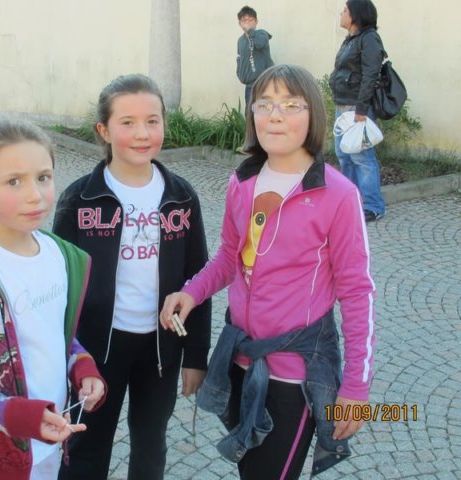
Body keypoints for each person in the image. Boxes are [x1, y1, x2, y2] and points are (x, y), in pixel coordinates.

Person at [160, 64, 376, 480]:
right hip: (241, 361)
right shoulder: (242, 181)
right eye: (265, 104)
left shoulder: (338, 194)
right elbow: (229, 257)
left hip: (296, 376)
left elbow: (357, 292)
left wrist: (356, 387)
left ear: (313, 115)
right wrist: (191, 292)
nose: (275, 115)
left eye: (291, 105)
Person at [53, 74, 211, 480]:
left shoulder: (181, 197)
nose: (143, 133)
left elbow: (199, 279)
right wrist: (63, 358)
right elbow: (58, 286)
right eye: (128, 122)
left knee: (150, 444)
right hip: (96, 349)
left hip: (160, 349)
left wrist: (195, 357)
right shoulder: (79, 199)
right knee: (86, 444)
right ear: (104, 130)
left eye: (152, 121)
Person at [0, 119, 106, 480]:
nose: (35, 195)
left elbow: (55, 334)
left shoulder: (62, 256)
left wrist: (83, 367)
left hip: (53, 444)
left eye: (43, 177)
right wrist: (21, 417)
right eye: (14, 181)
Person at [329, 0, 386, 222]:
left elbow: (370, 75)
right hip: (343, 106)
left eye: (345, 10)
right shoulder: (351, 39)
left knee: (362, 157)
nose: (342, 13)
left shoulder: (369, 39)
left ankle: (373, 206)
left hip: (356, 108)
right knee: (344, 154)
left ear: (356, 14)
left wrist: (361, 109)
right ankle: (352, 201)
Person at [235, 5, 274, 155]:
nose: (247, 22)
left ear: (256, 22)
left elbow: (260, 44)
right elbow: (241, 58)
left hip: (264, 82)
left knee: (264, 112)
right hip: (250, 84)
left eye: (250, 20)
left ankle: (267, 146)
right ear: (239, 23)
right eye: (244, 20)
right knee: (250, 114)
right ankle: (251, 145)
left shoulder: (261, 34)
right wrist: (240, 73)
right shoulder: (241, 41)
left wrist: (250, 31)